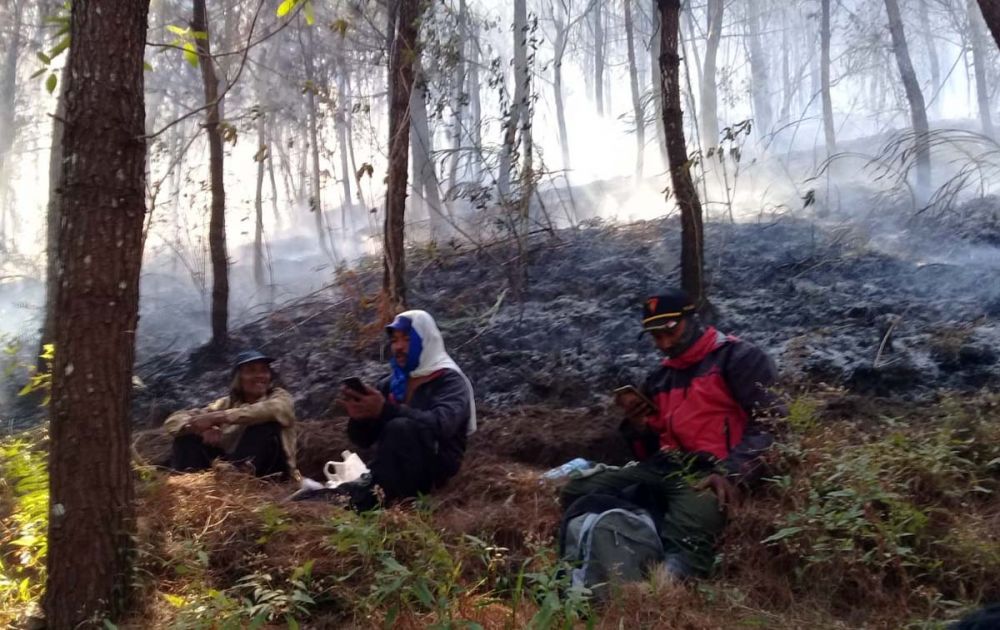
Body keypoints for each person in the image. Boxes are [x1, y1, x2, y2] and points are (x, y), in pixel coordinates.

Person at [561, 289, 784, 579]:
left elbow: (772, 424)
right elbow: (648, 450)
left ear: (693, 319)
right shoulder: (661, 377)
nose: (664, 343)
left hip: (709, 471)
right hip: (664, 467)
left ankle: (672, 579)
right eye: (655, 336)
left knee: (695, 516)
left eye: (670, 331)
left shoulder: (739, 358)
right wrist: (639, 426)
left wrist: (732, 474)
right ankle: (625, 537)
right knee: (577, 490)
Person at [336, 309, 476, 505]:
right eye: (394, 341)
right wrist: (361, 418)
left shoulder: (449, 381)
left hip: (434, 470)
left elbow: (442, 424)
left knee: (400, 427)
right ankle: (374, 494)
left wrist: (385, 410)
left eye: (407, 340)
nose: (398, 347)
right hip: (391, 467)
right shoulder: (391, 383)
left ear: (426, 340)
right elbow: (364, 441)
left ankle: (386, 499)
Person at [164, 350, 298, 480]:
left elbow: (274, 409)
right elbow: (175, 419)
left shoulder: (279, 396)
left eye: (264, 370)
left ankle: (237, 479)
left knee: (265, 424)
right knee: (186, 438)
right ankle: (189, 483)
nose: (260, 376)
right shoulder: (226, 403)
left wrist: (218, 417)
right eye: (251, 371)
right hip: (231, 464)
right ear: (238, 378)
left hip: (273, 472)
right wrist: (198, 428)